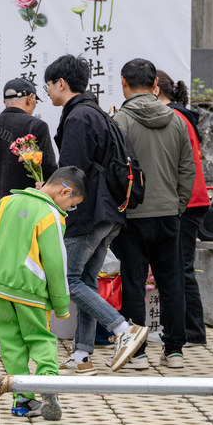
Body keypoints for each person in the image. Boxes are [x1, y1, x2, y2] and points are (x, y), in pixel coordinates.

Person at [43, 54, 147, 374]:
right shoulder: (98, 112)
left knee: (67, 279)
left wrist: (50, 191)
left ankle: (123, 329)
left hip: (88, 213)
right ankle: (81, 355)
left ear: (62, 83)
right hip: (110, 212)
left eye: (49, 85)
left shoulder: (77, 117)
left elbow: (72, 173)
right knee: (86, 280)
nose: (48, 92)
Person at [0, 166, 85, 420]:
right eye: (72, 204)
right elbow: (55, 263)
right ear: (65, 191)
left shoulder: (6, 202)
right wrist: (61, 304)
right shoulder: (51, 215)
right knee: (41, 339)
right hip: (30, 290)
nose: (69, 209)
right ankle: (48, 386)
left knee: (11, 344)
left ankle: (22, 401)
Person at [112, 59, 194, 369]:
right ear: (155, 85)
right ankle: (174, 351)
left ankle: (138, 353)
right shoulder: (176, 120)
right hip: (169, 213)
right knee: (171, 282)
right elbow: (188, 169)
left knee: (133, 283)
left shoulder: (121, 121)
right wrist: (178, 205)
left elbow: (114, 171)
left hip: (133, 215)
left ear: (124, 82)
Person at [0, 77, 58, 352]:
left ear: (5, 100)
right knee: (27, 270)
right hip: (27, 212)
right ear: (30, 99)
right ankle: (27, 331)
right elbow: (49, 171)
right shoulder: (36, 127)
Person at [155, 70, 209, 346]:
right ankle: (181, 329)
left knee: (181, 268)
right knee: (178, 266)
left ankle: (193, 332)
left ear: (155, 89)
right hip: (190, 200)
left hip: (187, 202)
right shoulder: (182, 116)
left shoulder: (174, 117)